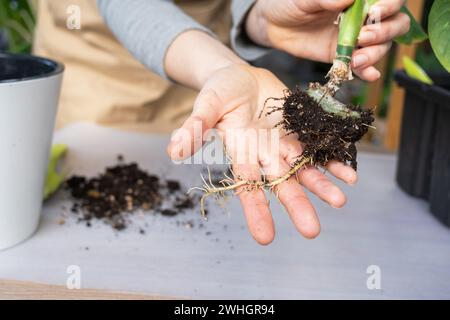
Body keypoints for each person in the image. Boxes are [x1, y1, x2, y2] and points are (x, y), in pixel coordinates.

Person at [35, 0, 409, 244]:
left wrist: (260, 18)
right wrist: (224, 68)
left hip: (215, 97)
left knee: (191, 230)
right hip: (93, 80)